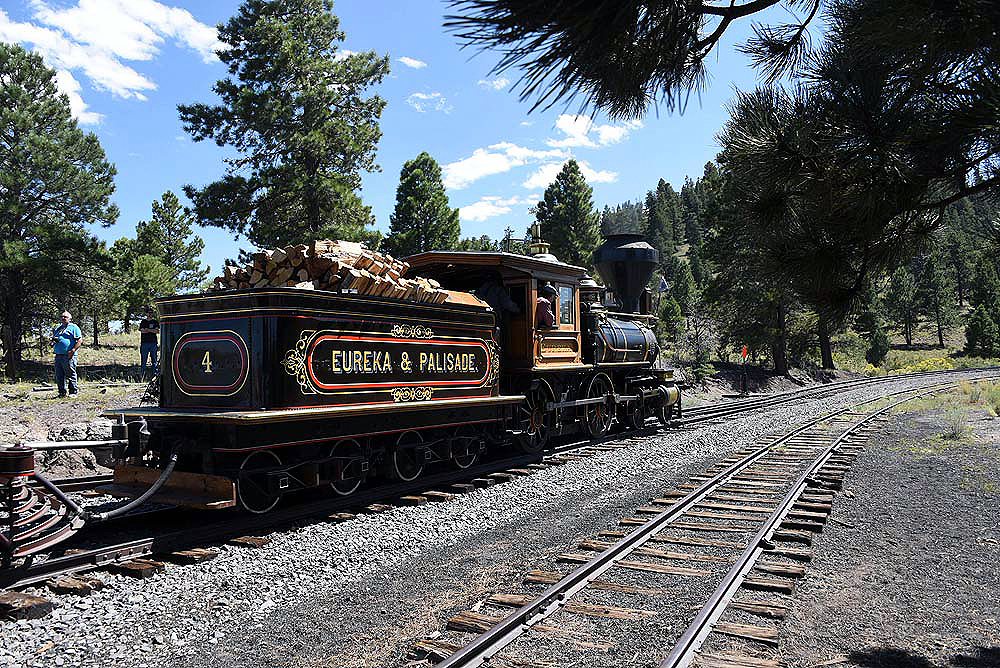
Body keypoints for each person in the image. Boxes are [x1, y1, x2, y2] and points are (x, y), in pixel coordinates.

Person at [51, 310, 82, 398]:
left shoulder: (74, 327)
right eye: (62, 317)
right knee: (59, 375)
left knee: (70, 373)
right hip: (58, 355)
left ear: (70, 318)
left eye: (65, 317)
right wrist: (53, 342)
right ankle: (61, 392)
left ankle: (73, 392)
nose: (63, 318)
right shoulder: (58, 328)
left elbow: (79, 340)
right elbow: (55, 338)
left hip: (68, 355)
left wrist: (72, 351)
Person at [138, 312, 159, 378]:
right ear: (146, 314)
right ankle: (143, 376)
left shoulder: (155, 322)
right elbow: (142, 331)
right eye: (148, 313)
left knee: (154, 361)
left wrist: (147, 329)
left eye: (151, 313)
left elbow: (157, 331)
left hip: (153, 343)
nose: (150, 314)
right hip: (144, 343)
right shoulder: (143, 322)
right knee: (143, 360)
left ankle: (154, 376)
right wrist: (152, 330)